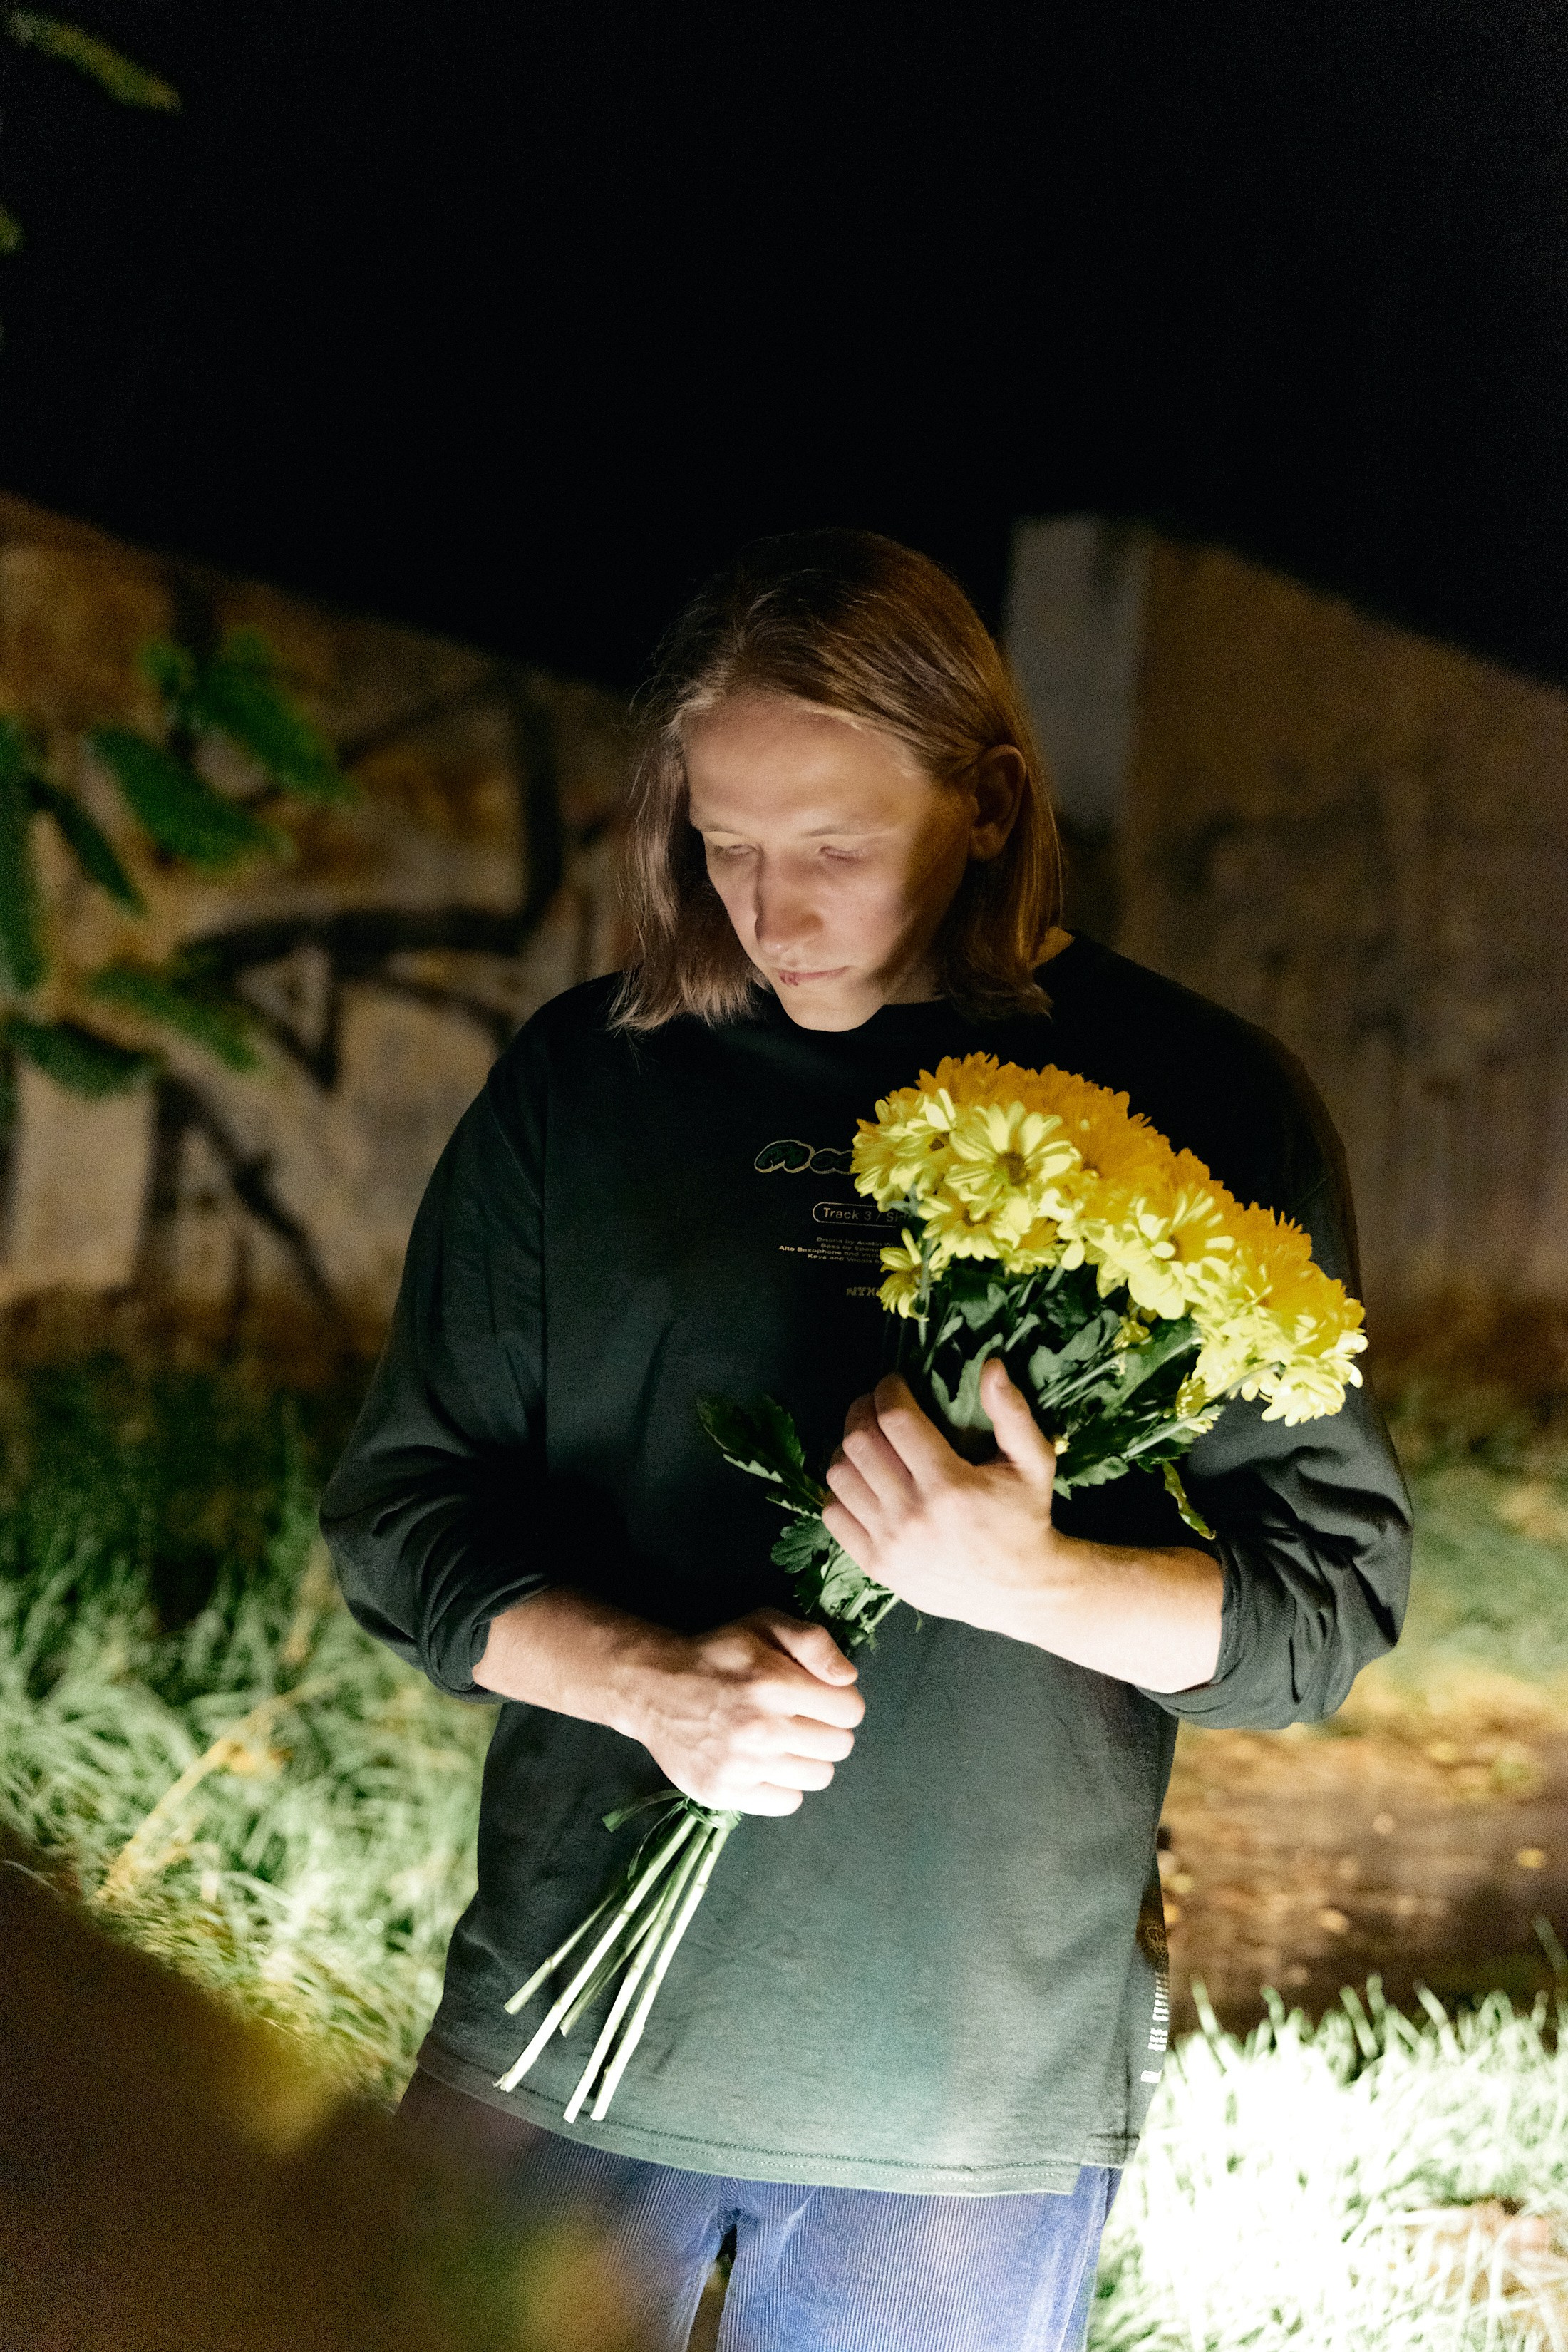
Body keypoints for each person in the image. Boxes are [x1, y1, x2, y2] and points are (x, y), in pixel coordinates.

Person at [319, 530, 1413, 2352]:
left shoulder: (1199, 1103)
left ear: (985, 804)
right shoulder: (586, 1086)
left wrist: (1025, 1577)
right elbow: (402, 1519)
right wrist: (651, 1686)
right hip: (560, 2038)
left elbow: (1321, 1614)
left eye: (831, 847)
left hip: (960, 2099)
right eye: (723, 846)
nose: (771, 912)